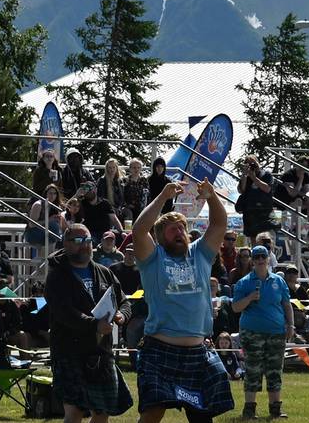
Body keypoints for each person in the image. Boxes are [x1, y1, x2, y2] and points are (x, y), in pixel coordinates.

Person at [131, 179, 234, 422]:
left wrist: (211, 196)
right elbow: (138, 230)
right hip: (159, 350)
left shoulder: (200, 253)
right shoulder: (152, 258)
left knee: (202, 417)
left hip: (198, 353)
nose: (179, 232)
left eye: (182, 228)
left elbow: (220, 222)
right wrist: (162, 198)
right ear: (160, 237)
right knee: (152, 414)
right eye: (173, 229)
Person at [45, 223, 133, 422]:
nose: (84, 245)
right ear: (66, 244)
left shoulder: (104, 272)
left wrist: (121, 315)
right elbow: (64, 313)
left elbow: (124, 301)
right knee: (74, 412)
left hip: (101, 352)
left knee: (102, 414)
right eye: (77, 241)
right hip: (69, 351)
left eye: (87, 240)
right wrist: (95, 324)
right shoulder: (57, 276)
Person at [231, 245, 293, 419]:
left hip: (277, 332)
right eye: (256, 257)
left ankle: (275, 409)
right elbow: (235, 307)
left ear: (267, 259)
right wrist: (250, 298)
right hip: (252, 333)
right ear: (252, 260)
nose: (259, 260)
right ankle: (249, 409)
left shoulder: (278, 281)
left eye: (262, 257)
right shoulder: (244, 283)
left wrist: (291, 325)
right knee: (253, 370)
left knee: (275, 370)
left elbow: (287, 305)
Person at [236, 156, 276, 239]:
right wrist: (244, 174)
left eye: (253, 163)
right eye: (248, 164)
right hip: (250, 212)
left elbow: (267, 188)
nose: (252, 165)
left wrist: (254, 177)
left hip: (264, 212)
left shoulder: (266, 174)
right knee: (253, 238)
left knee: (266, 239)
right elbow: (241, 190)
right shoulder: (246, 177)